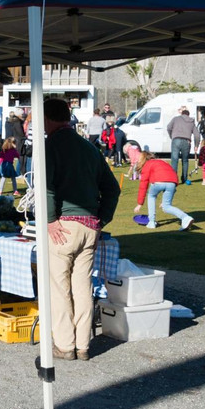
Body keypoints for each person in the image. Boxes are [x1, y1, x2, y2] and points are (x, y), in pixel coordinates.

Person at [43, 98, 120, 362]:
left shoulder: (51, 145)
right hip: (89, 226)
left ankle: (65, 345)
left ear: (47, 119)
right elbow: (112, 188)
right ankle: (83, 345)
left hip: (64, 225)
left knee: (58, 286)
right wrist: (101, 220)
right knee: (82, 286)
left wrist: (51, 219)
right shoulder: (89, 147)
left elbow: (48, 187)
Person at [133, 151, 194, 230]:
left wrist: (140, 203)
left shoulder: (147, 165)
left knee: (151, 196)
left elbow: (143, 185)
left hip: (158, 183)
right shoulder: (163, 162)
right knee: (167, 206)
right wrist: (165, 200)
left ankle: (151, 222)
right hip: (173, 183)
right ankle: (186, 218)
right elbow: (172, 176)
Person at [166, 108, 196, 185]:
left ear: (181, 114)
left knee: (174, 160)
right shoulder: (191, 121)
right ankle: (184, 179)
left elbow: (168, 127)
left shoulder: (175, 119)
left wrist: (172, 136)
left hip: (176, 140)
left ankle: (174, 179)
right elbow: (197, 135)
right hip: (186, 141)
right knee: (185, 161)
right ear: (188, 115)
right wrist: (196, 145)